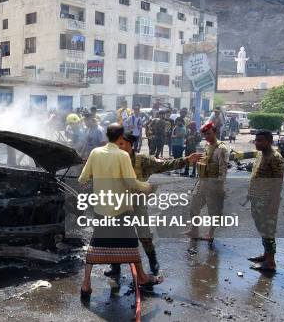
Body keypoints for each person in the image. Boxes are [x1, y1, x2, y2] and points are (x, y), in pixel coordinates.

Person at [78, 124, 162, 300]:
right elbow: (132, 184)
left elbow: (82, 178)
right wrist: (148, 186)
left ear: (107, 135)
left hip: (100, 209)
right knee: (131, 243)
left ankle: (86, 284)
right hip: (120, 209)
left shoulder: (95, 153)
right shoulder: (123, 155)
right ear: (120, 136)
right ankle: (142, 277)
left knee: (95, 245)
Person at [104, 133, 202, 281]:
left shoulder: (142, 161)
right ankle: (115, 268)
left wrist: (186, 160)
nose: (118, 147)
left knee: (145, 236)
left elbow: (163, 165)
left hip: (137, 205)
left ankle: (153, 262)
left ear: (131, 145)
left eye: (122, 144)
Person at [184, 122, 229, 244]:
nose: (207, 137)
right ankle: (194, 230)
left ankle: (210, 233)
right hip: (202, 182)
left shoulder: (222, 149)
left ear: (215, 132)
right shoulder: (207, 146)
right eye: (205, 135)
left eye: (209, 134)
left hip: (214, 184)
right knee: (194, 206)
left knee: (213, 211)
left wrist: (220, 187)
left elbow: (223, 170)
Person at [246, 130, 284, 272]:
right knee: (262, 228)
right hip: (257, 198)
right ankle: (266, 255)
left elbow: (278, 183)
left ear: (269, 142)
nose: (257, 143)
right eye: (256, 140)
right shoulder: (261, 154)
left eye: (260, 140)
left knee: (268, 230)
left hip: (268, 200)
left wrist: (274, 203)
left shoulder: (275, 158)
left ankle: (271, 262)